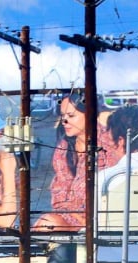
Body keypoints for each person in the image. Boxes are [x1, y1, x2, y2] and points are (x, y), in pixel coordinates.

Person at [34, 92, 118, 233]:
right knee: (45, 223)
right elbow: (59, 195)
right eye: (63, 116)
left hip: (103, 224)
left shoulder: (108, 146)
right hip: (71, 219)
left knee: (47, 224)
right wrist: (75, 219)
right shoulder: (64, 147)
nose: (64, 121)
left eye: (71, 116)